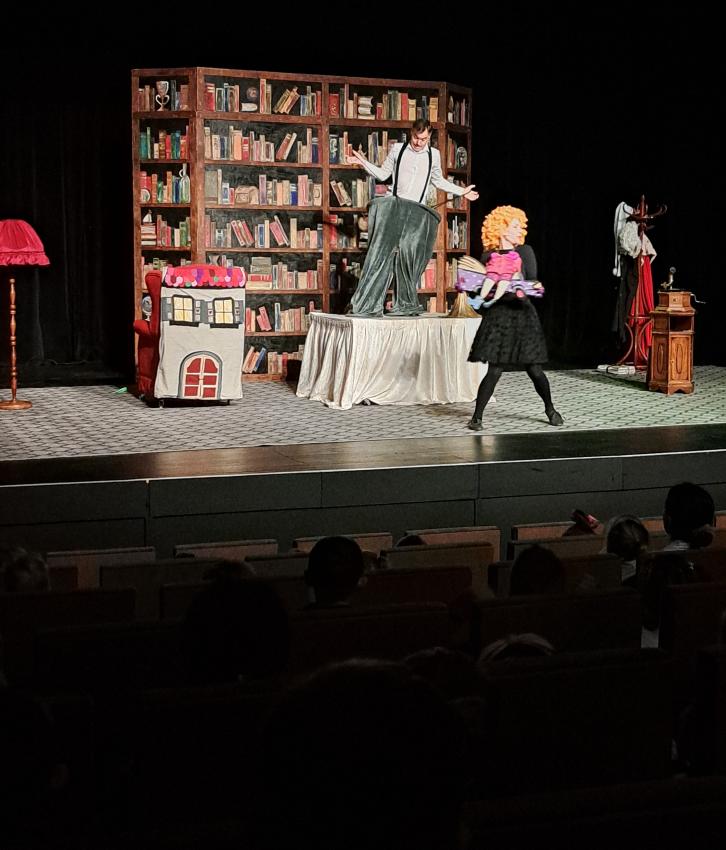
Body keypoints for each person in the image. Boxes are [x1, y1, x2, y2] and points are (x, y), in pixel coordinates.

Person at [346, 120, 478, 317]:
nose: (418, 142)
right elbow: (382, 174)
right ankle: (367, 305)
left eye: (423, 139)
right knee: (380, 256)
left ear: (429, 136)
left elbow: (438, 180)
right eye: (416, 137)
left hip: (416, 213)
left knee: (408, 260)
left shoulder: (433, 155)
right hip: (394, 208)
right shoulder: (398, 149)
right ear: (411, 133)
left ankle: (405, 305)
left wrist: (462, 191)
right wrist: (362, 162)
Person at [466, 205, 563, 430]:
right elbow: (484, 287)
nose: (520, 230)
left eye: (520, 226)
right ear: (501, 228)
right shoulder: (488, 256)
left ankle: (550, 409)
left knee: (534, 369)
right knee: (495, 369)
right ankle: (477, 417)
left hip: (522, 315)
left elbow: (533, 281)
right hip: (499, 317)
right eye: (515, 226)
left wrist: (528, 288)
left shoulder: (525, 252)